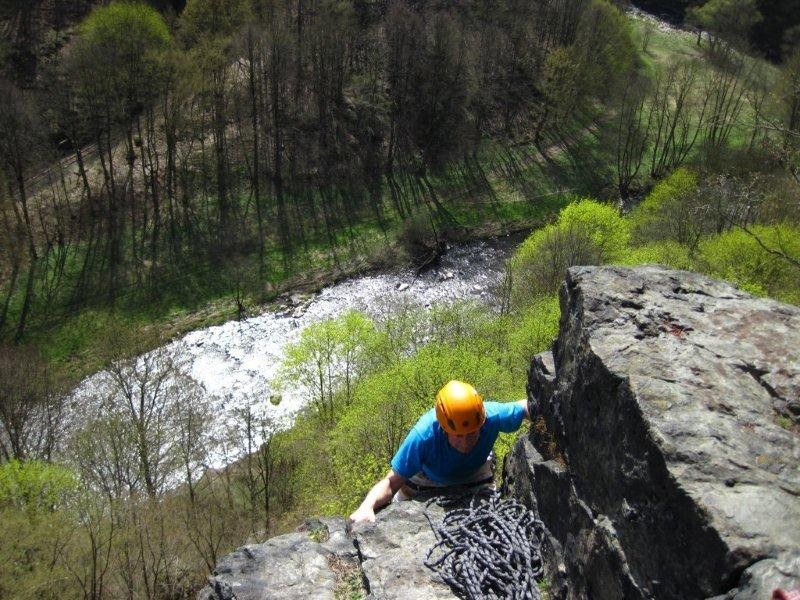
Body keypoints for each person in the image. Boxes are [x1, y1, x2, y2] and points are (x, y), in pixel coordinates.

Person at [349, 380, 533, 523]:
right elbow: (391, 482)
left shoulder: (491, 416)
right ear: (444, 429)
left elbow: (525, 407)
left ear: (482, 422)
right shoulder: (423, 435)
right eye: (458, 436)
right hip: (425, 482)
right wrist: (367, 505)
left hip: (475, 475)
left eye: (472, 433)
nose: (466, 442)